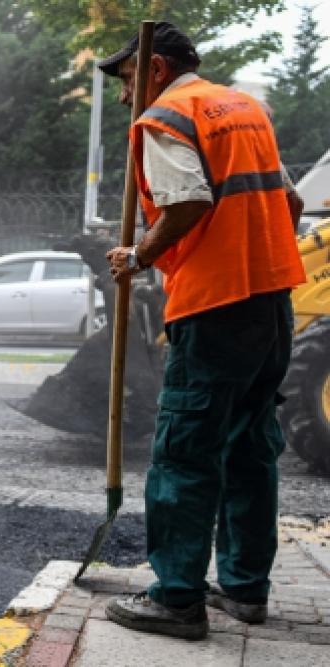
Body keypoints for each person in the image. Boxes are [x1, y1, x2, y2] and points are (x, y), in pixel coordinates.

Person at [97, 23, 306, 640]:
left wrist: (138, 254)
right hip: (270, 305)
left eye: (129, 78)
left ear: (157, 69)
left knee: (186, 450)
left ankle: (178, 599)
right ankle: (245, 589)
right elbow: (288, 206)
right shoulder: (246, 109)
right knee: (249, 447)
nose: (124, 95)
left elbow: (189, 202)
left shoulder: (165, 118)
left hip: (213, 307)